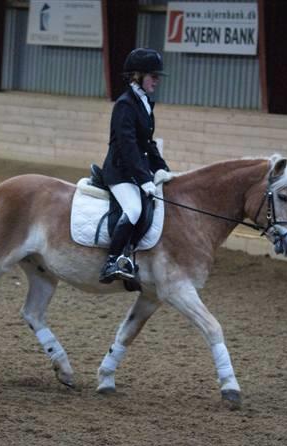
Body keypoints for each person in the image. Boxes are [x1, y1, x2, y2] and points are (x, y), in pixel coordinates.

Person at [99, 48, 170, 284]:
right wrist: (144, 179)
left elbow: (147, 143)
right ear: (137, 76)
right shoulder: (125, 105)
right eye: (153, 75)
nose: (157, 80)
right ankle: (112, 261)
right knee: (134, 209)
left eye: (157, 76)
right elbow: (128, 146)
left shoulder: (146, 103)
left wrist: (162, 169)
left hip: (136, 171)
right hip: (119, 171)